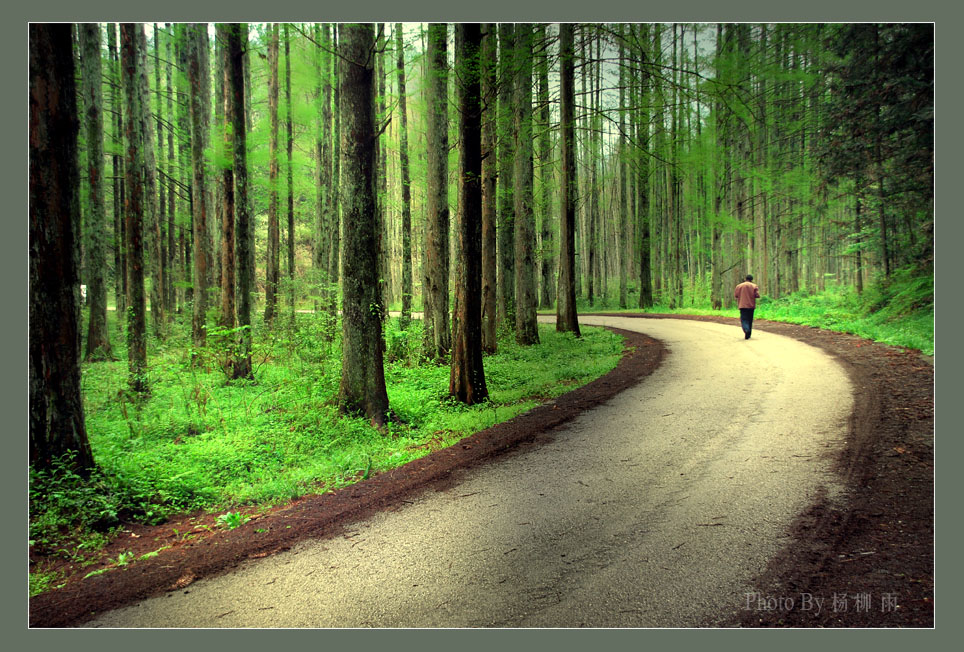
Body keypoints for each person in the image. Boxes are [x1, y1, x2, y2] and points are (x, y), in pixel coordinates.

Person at [734, 274, 760, 339]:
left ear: (745, 279)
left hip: (742, 305)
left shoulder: (739, 286)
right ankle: (748, 335)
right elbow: (757, 295)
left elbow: (736, 295)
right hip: (751, 306)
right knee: (750, 320)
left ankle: (746, 329)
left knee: (744, 319)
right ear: (752, 280)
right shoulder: (754, 286)